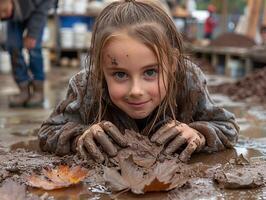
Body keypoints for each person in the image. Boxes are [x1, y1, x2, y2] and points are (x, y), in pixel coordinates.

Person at [38, 0, 239, 163]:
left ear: (173, 63)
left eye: (150, 72)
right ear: (100, 69)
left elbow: (227, 127)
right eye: (119, 75)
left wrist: (199, 133)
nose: (136, 90)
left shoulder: (188, 81)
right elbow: (48, 131)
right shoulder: (86, 86)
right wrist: (80, 137)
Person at [0, 0, 54, 107]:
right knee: (12, 46)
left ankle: (38, 91)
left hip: (39, 8)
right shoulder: (7, 9)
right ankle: (23, 89)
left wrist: (33, 33)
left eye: (5, 11)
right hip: (17, 9)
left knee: (34, 48)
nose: (3, 16)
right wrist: (5, 12)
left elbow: (44, 5)